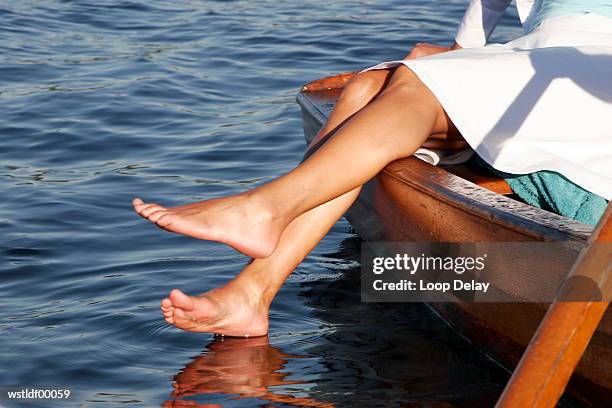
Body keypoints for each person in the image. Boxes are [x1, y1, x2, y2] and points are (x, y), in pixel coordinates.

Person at [133, 0, 612, 336]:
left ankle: (264, 208)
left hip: (594, 73)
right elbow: (478, 28)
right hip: (530, 58)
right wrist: (457, 56)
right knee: (370, 88)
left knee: (417, 84)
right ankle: (251, 292)